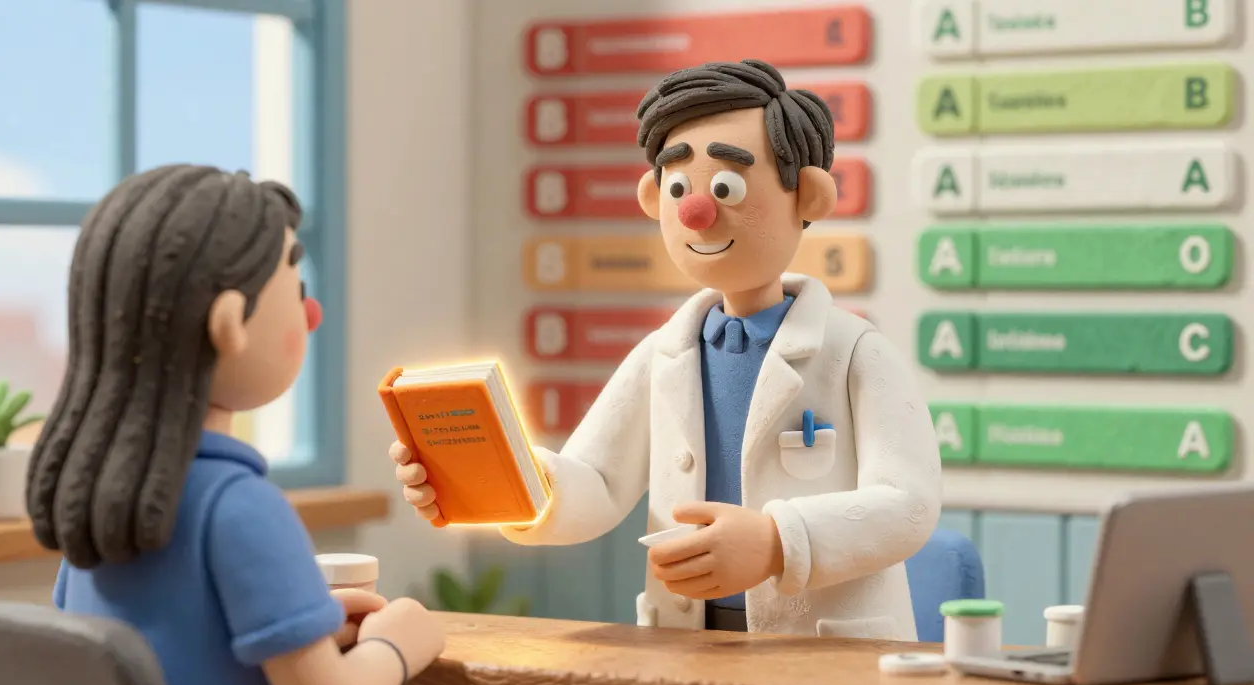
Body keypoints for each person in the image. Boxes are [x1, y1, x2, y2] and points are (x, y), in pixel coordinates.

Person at [393, 60, 941, 639]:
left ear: (808, 195)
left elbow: (907, 502)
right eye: (678, 188)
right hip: (685, 642)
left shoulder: (857, 353)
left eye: (725, 186)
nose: (695, 211)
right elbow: (597, 484)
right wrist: (508, 480)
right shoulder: (664, 354)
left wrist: (779, 542)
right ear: (654, 197)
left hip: (826, 654)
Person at [29, 165, 444, 685]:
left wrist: (302, 625)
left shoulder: (102, 500)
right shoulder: (238, 507)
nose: (312, 313)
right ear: (230, 324)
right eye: (297, 291)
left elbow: (169, 645)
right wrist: (397, 643)